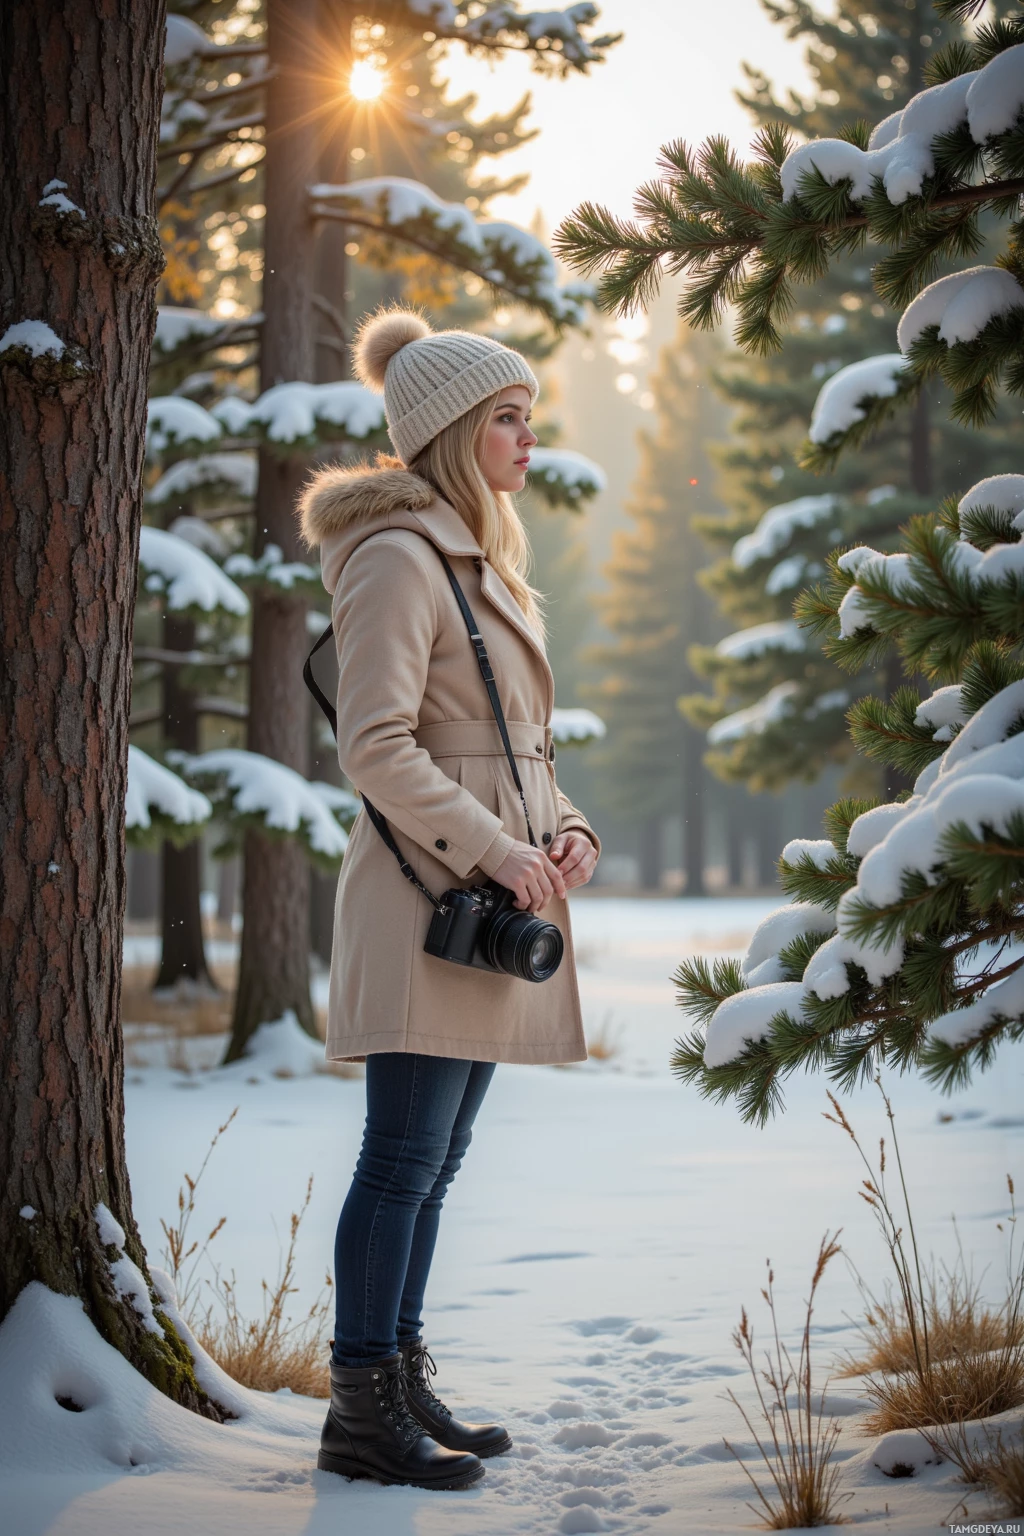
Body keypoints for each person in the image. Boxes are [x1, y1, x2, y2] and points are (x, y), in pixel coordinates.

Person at [298, 309, 600, 1491]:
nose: (528, 438)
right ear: (455, 432)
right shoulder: (394, 558)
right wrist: (494, 849)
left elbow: (518, 748)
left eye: (528, 415)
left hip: (485, 899)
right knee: (399, 1159)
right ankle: (359, 1409)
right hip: (427, 901)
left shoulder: (483, 561)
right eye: (508, 420)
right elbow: (374, 745)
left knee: (437, 1161)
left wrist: (562, 833)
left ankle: (401, 1376)